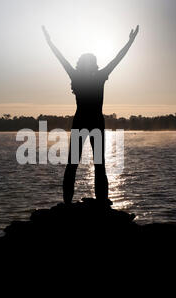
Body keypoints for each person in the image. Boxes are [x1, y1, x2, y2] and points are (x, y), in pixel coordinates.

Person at [42, 25, 139, 205]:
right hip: (93, 122)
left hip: (83, 121)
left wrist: (50, 42)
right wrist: (130, 41)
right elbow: (117, 59)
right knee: (94, 164)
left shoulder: (80, 76)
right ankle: (94, 203)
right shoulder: (98, 76)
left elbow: (61, 58)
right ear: (93, 64)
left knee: (78, 164)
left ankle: (75, 204)